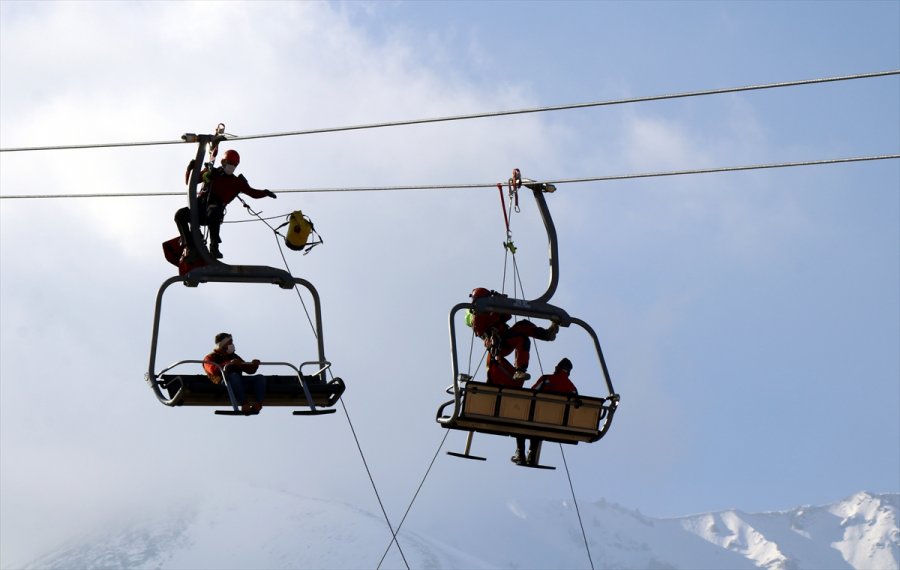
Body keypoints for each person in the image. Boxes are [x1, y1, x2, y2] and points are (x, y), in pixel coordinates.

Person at [175, 149, 277, 259]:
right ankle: (189, 245)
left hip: (213, 211)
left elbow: (253, 193)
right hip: (199, 207)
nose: (231, 166)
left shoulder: (236, 182)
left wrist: (265, 193)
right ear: (223, 162)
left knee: (214, 210)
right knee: (180, 215)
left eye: (234, 165)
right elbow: (190, 182)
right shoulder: (211, 172)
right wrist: (190, 169)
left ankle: (214, 246)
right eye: (230, 163)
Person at [468, 287, 558, 386]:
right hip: (498, 345)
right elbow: (482, 333)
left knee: (523, 325)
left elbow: (507, 315)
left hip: (506, 336)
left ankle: (547, 334)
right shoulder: (477, 319)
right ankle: (519, 371)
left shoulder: (493, 308)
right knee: (522, 339)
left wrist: (503, 303)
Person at [512, 358, 578, 465]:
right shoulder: (572, 388)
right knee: (541, 425)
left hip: (538, 418)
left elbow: (531, 393)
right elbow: (576, 407)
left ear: (557, 368)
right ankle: (532, 454)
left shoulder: (546, 379)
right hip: (558, 421)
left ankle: (520, 452)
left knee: (524, 419)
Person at [203, 332, 267, 415]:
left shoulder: (233, 356)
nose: (232, 345)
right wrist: (229, 363)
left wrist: (254, 365)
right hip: (224, 382)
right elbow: (213, 370)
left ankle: (258, 404)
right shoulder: (210, 357)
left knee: (260, 378)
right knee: (234, 376)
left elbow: (249, 370)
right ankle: (244, 404)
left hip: (238, 381)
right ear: (223, 344)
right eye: (230, 342)